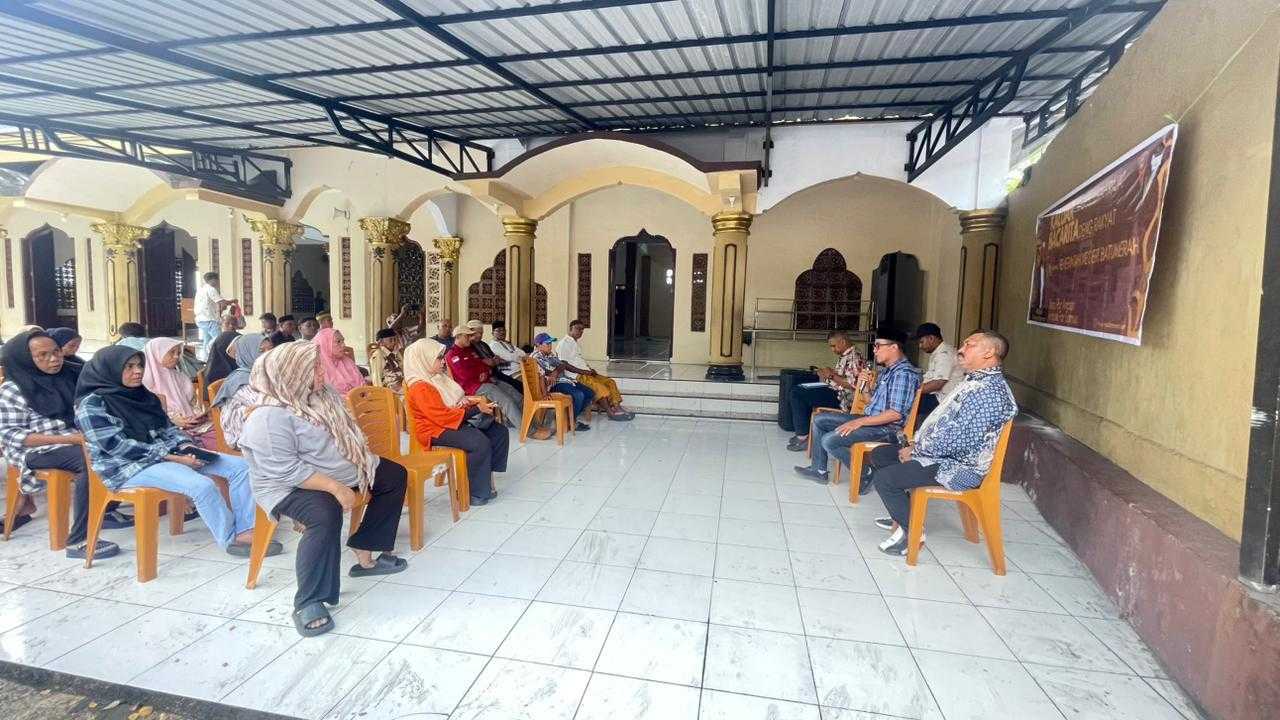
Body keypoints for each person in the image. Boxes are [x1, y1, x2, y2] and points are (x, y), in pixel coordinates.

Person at [238, 341, 409, 637]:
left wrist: (358, 462)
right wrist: (336, 488)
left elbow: (344, 434)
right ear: (291, 373)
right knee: (324, 513)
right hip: (288, 485)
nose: (322, 372)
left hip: (338, 470)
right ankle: (309, 600)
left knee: (393, 475)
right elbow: (286, 470)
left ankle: (365, 546)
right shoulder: (268, 416)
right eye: (313, 367)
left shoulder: (320, 395)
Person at [75, 345, 275, 558]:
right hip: (126, 467)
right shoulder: (92, 405)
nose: (138, 371)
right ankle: (230, 540)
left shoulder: (142, 395)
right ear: (110, 369)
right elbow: (117, 446)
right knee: (202, 486)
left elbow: (169, 429)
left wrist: (186, 447)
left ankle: (246, 531)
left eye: (140, 365)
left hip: (167, 455)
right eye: (129, 367)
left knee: (242, 467)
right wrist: (172, 457)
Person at [868, 331, 1018, 555]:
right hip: (943, 455)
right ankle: (903, 514)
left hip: (960, 467)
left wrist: (917, 450)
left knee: (885, 479)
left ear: (989, 352)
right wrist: (916, 445)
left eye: (970, 345)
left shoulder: (989, 391)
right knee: (881, 454)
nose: (961, 349)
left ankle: (913, 534)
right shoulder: (976, 381)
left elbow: (962, 439)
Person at [0, 331, 128, 558]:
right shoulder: (13, 389)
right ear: (26, 358)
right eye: (43, 355)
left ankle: (105, 509)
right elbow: (11, 435)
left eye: (56, 352)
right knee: (91, 459)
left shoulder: (69, 376)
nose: (54, 359)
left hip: (75, 439)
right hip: (36, 449)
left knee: (120, 447)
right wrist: (70, 439)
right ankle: (79, 540)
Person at [796, 328, 920, 487]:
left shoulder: (903, 374)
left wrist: (859, 422)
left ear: (894, 347)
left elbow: (895, 414)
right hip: (872, 420)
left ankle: (865, 473)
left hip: (887, 429)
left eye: (878, 346)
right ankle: (819, 470)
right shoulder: (888, 371)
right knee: (820, 420)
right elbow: (872, 403)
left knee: (829, 440)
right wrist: (865, 388)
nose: (874, 350)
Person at [403, 337, 505, 507]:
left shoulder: (437, 377)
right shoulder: (420, 386)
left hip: (449, 420)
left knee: (498, 432)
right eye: (438, 358)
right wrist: (475, 409)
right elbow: (441, 416)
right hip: (433, 430)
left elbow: (452, 401)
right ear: (424, 359)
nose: (443, 361)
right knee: (478, 442)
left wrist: (467, 403)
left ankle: (485, 478)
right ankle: (472, 492)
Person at [785, 330, 865, 451]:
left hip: (842, 397)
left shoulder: (854, 356)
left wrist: (831, 375)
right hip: (835, 390)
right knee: (799, 388)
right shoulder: (846, 355)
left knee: (797, 393)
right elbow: (844, 376)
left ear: (843, 342)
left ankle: (803, 437)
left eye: (834, 346)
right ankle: (805, 433)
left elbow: (853, 385)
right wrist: (829, 372)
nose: (832, 349)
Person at [143, 338, 217, 449]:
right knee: (187, 445)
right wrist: (173, 421)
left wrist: (197, 416)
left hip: (192, 426)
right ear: (157, 353)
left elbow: (192, 404)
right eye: (172, 352)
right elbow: (147, 417)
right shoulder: (144, 382)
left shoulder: (180, 377)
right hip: (166, 429)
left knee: (221, 433)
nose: (176, 356)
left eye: (178, 353)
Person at [445, 325, 522, 424]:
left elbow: (484, 365)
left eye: (470, 335)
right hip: (473, 387)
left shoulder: (470, 350)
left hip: (487, 380)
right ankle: (527, 429)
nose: (470, 338)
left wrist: (485, 373)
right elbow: (465, 376)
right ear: (458, 336)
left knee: (516, 395)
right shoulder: (452, 355)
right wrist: (481, 374)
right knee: (506, 400)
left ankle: (530, 423)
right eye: (467, 336)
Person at [556, 320, 632, 420]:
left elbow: (578, 360)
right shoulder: (564, 343)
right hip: (577, 376)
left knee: (610, 382)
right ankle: (610, 413)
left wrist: (590, 369)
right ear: (571, 329)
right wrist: (584, 372)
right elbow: (563, 364)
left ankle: (617, 408)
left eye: (582, 330)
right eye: (578, 329)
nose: (580, 332)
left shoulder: (574, 343)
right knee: (601, 388)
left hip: (586, 373)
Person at [211, 333, 265, 450]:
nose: (268, 354)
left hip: (259, 426)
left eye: (271, 349)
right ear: (247, 353)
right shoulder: (242, 380)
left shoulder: (261, 373)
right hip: (241, 434)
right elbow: (263, 407)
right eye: (261, 350)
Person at [530, 333, 593, 430]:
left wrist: (555, 372)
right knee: (578, 395)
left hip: (562, 380)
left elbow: (562, 365)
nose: (550, 346)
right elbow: (544, 374)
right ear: (538, 345)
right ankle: (571, 422)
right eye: (547, 344)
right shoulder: (535, 357)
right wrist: (555, 372)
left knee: (590, 393)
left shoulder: (549, 354)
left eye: (551, 343)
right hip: (551, 385)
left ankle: (568, 418)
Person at [914, 323, 959, 423]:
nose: (920, 346)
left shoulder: (944, 354)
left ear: (931, 338)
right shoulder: (938, 352)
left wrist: (914, 392)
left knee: (909, 402)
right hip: (938, 396)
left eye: (921, 342)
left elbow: (938, 383)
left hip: (944, 400)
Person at [468, 319, 521, 393]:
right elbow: (486, 362)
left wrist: (493, 361)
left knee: (518, 386)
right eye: (477, 333)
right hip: (487, 376)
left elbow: (495, 359)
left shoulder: (483, 344)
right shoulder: (469, 346)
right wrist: (490, 361)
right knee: (515, 387)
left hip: (495, 373)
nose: (480, 335)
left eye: (481, 333)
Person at [194, 273, 236, 357]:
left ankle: (206, 358)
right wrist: (233, 301)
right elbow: (222, 302)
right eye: (217, 280)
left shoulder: (201, 290)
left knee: (207, 339)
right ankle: (212, 351)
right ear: (213, 280)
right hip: (209, 319)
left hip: (200, 319)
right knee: (219, 337)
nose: (218, 282)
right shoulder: (211, 289)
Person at [202, 317, 241, 399]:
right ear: (221, 325)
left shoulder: (239, 339)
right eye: (227, 323)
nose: (231, 326)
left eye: (233, 324)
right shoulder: (217, 341)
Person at [369, 328, 404, 394]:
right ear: (381, 342)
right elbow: (376, 377)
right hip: (389, 389)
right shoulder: (378, 354)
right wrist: (380, 394)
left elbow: (403, 368)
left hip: (402, 385)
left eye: (395, 339)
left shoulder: (397, 353)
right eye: (391, 340)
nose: (394, 342)